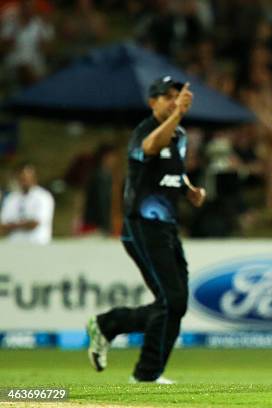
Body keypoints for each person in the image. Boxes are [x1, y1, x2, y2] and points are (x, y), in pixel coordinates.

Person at [86, 76, 205, 384]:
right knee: (171, 301)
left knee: (174, 304)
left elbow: (172, 173)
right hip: (141, 225)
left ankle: (111, 329)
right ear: (152, 102)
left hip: (166, 226)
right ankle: (143, 371)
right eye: (167, 96)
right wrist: (178, 113)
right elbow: (151, 147)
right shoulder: (145, 130)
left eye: (177, 96)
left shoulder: (179, 135)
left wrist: (190, 189)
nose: (174, 100)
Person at [0, 163, 54, 245]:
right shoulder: (11, 198)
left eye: (27, 178)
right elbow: (2, 226)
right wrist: (24, 224)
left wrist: (12, 225)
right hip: (14, 245)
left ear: (34, 179)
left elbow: (34, 224)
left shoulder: (43, 197)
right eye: (21, 179)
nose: (24, 182)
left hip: (37, 245)